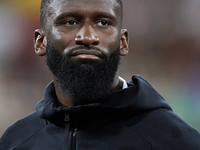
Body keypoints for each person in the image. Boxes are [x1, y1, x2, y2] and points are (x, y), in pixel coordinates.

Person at [0, 0, 200, 149]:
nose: (87, 37)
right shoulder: (15, 141)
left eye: (103, 23)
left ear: (123, 42)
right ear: (40, 42)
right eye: (70, 22)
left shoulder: (177, 141)